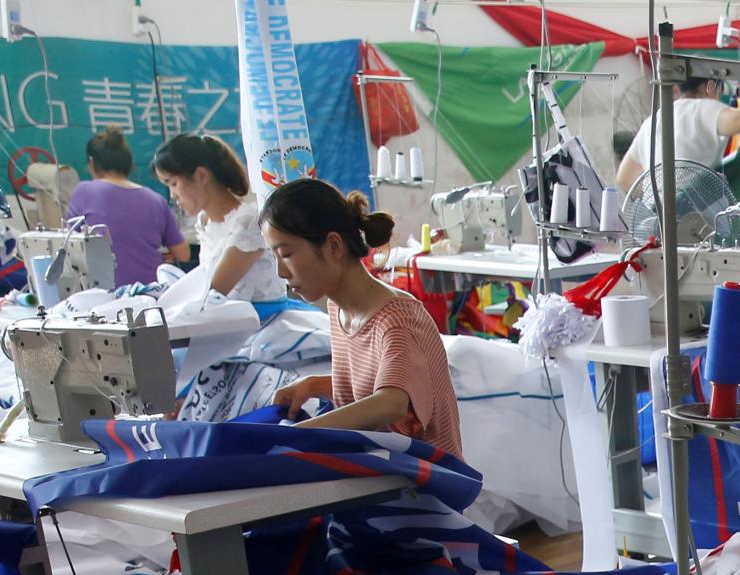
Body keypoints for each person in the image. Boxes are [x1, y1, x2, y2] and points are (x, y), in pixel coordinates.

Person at [263, 180, 462, 459]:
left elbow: (391, 403)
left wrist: (299, 436)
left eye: (286, 254)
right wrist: (316, 386)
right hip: (379, 474)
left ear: (334, 246)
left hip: (425, 491)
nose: (280, 272)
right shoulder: (339, 309)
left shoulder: (398, 320)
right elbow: (375, 387)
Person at [612, 77, 740, 194]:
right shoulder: (703, 108)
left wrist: (655, 199)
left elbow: (624, 178)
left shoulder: (654, 120)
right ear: (710, 85)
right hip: (692, 219)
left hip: (652, 222)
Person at [152, 134, 282, 303]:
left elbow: (212, 292)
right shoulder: (204, 220)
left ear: (200, 176)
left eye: (174, 184)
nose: (173, 195)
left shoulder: (248, 221)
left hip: (263, 323)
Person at [67, 126, 188, 286]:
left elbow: (67, 247)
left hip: (105, 296)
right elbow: (183, 254)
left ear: (92, 163)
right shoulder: (156, 200)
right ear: (129, 164)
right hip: (152, 294)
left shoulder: (84, 192)